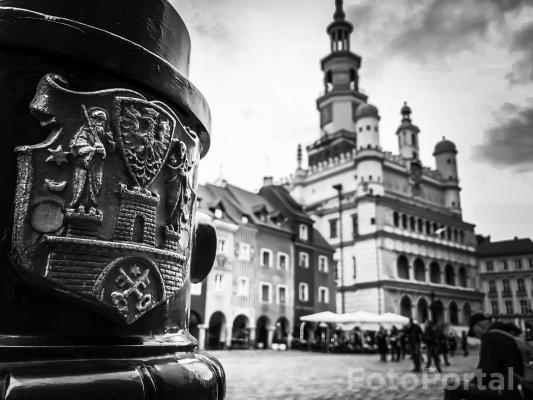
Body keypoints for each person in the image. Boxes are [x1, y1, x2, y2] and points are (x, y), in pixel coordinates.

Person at [444, 313, 532, 400]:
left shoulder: (489, 337)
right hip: (515, 389)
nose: (477, 337)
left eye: (474, 334)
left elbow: (486, 370)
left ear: (478, 326)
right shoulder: (507, 334)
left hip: (503, 392)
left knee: (451, 386)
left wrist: (471, 384)